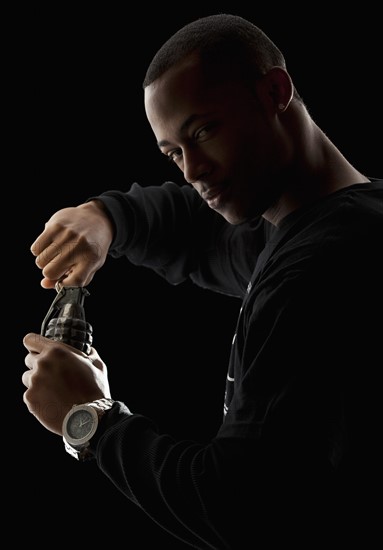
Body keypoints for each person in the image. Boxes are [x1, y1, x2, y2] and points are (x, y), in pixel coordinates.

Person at [23, 13, 382, 549]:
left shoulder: (320, 270)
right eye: (173, 152)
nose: (192, 171)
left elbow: (239, 507)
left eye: (204, 131)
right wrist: (104, 217)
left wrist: (91, 421)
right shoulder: (319, 224)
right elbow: (199, 235)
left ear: (274, 91)